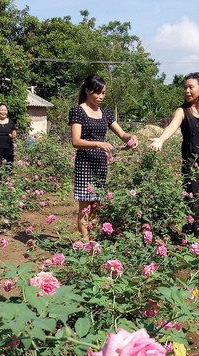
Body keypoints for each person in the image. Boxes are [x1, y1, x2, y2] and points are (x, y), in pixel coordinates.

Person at [149, 72, 199, 238]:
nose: (187, 91)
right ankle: (192, 236)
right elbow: (171, 127)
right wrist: (161, 140)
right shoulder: (182, 111)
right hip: (191, 163)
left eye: (191, 87)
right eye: (185, 88)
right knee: (192, 198)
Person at [69, 74, 138, 240]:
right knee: (85, 206)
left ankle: (92, 239)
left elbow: (122, 134)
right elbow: (76, 141)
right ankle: (86, 242)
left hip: (100, 164)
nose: (101, 97)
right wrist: (98, 143)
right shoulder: (78, 111)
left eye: (103, 93)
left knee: (96, 205)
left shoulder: (106, 113)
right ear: (87, 91)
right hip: (85, 164)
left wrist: (132, 137)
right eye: (97, 93)